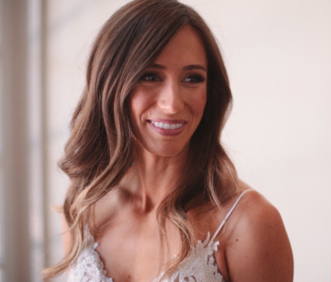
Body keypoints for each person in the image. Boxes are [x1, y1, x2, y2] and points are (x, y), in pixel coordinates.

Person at [42, 1, 293, 281]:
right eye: (150, 76)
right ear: (110, 84)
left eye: (192, 78)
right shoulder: (82, 206)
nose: (172, 104)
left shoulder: (249, 223)